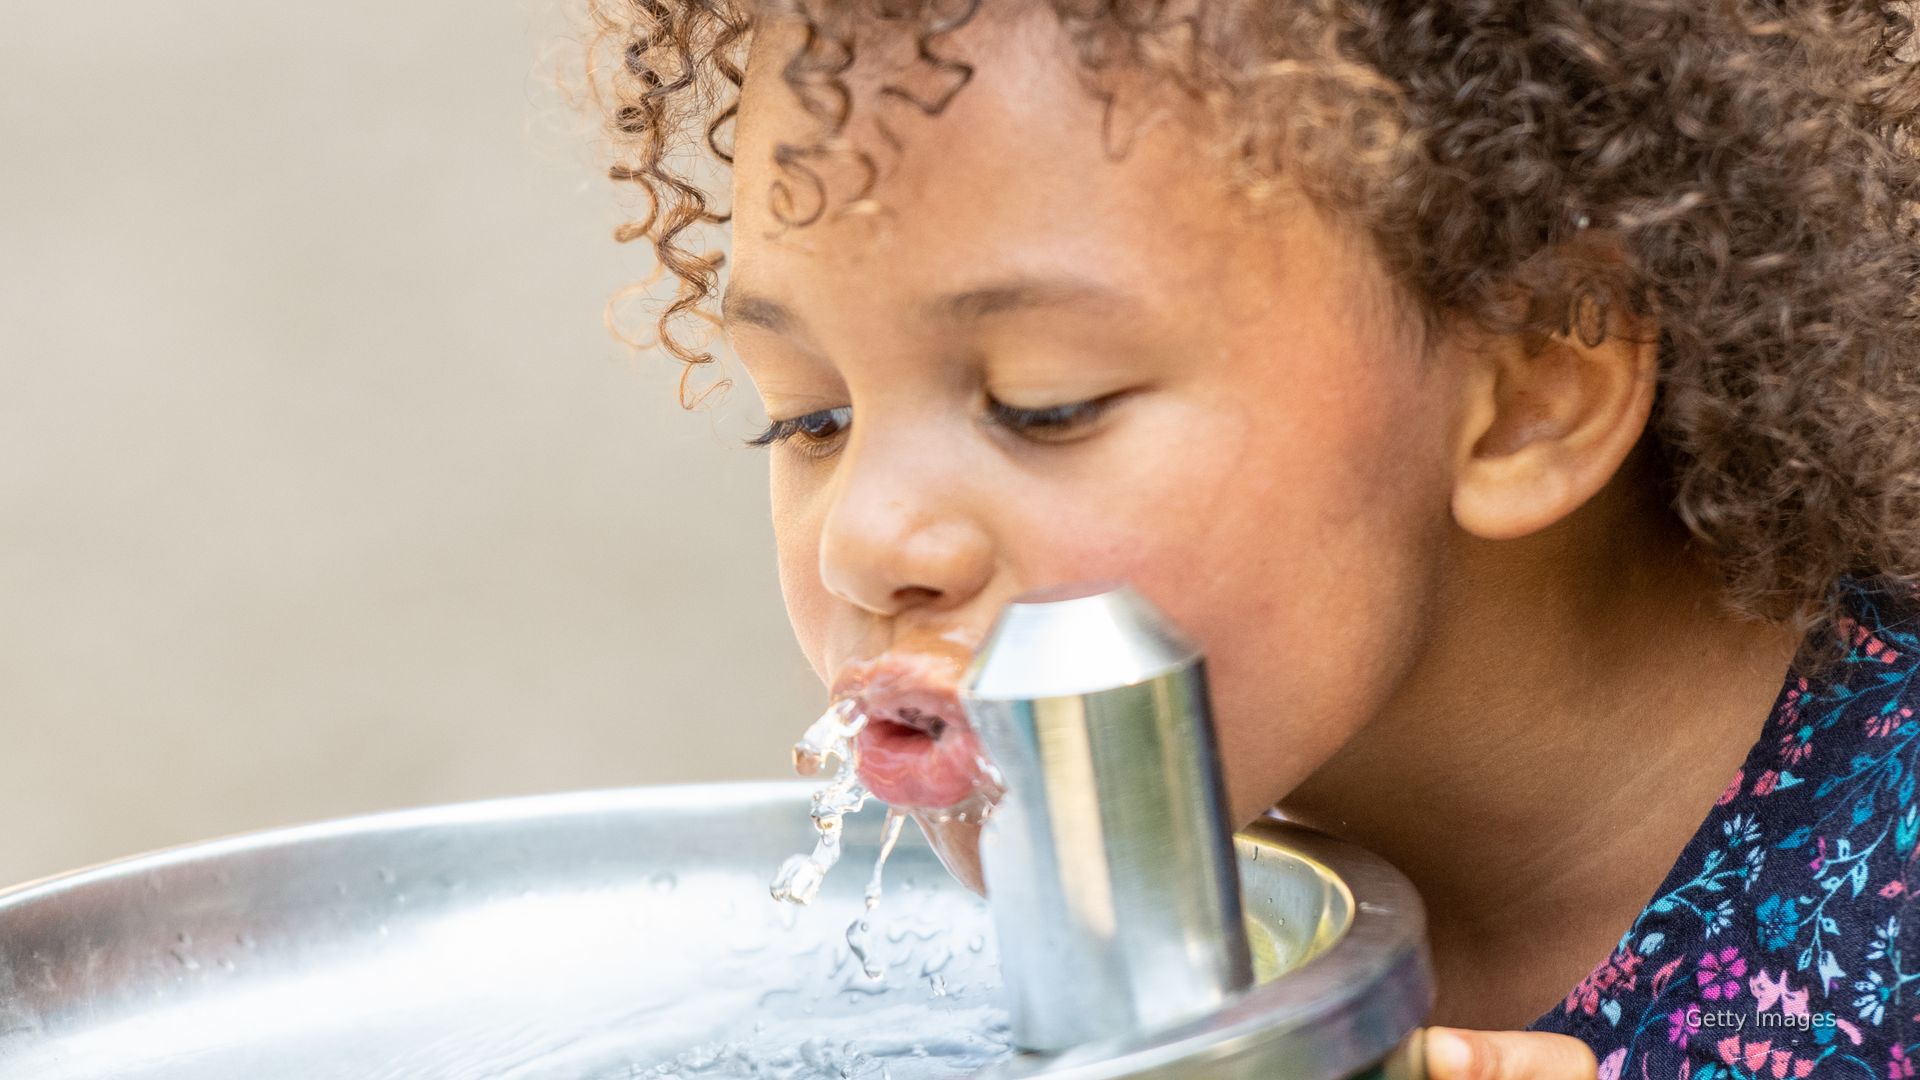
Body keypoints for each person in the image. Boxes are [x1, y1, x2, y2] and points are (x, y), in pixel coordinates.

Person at [582, 1, 1920, 1076]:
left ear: (1528, 391)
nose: (863, 542)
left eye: (1045, 403)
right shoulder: (1231, 843)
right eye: (809, 420)